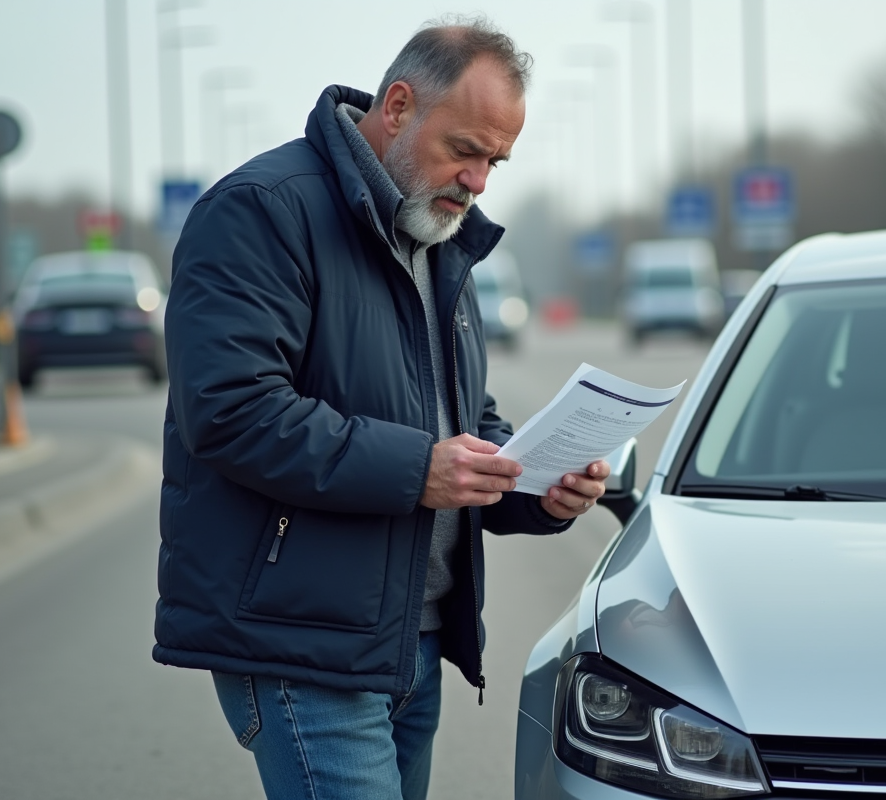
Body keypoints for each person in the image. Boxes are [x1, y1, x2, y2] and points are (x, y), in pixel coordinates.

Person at [153, 16, 608, 800]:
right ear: (397, 107)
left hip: (407, 644)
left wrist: (540, 488)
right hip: (303, 644)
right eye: (465, 150)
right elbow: (228, 409)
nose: (479, 181)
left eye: (495, 162)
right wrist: (418, 470)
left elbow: (463, 420)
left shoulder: (436, 232)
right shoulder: (262, 210)